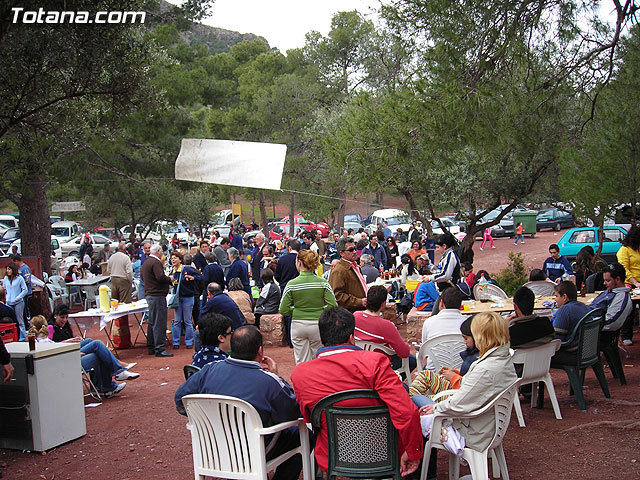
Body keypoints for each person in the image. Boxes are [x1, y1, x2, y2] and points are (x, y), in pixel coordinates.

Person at [291, 307, 423, 477]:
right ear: (351, 337)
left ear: (322, 337)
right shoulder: (375, 362)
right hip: (384, 452)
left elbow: (309, 417)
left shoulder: (301, 374)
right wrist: (413, 452)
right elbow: (406, 412)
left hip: (333, 456)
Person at [175, 326, 305, 480]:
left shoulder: (208, 370)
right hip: (253, 451)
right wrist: (276, 377)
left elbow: (180, 400)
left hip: (213, 449)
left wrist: (202, 418)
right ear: (260, 351)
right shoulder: (269, 382)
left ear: (232, 347)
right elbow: (293, 412)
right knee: (304, 436)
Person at [418, 312, 518, 454]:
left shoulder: (485, 368)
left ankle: (426, 473)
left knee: (414, 410)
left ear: (481, 337)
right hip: (486, 426)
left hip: (473, 433)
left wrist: (435, 408)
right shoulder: (502, 358)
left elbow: (459, 403)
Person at [48, 305, 138, 397]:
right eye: (62, 317)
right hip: (65, 358)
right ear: (55, 316)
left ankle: (104, 385)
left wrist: (75, 340)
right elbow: (49, 346)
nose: (64, 320)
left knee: (91, 342)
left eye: (66, 317)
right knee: (98, 348)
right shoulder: (50, 327)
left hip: (71, 351)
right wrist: (67, 341)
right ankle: (114, 376)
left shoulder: (65, 327)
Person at [279, 250, 338, 364]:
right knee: (319, 360)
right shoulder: (323, 282)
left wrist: (295, 310)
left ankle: (302, 381)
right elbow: (333, 305)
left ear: (299, 262)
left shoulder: (292, 284)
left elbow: (283, 309)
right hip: (318, 324)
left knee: (301, 360)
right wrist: (320, 310)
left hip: (298, 324)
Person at [410, 317, 478, 402]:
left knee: (415, 399)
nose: (464, 342)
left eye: (466, 338)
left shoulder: (481, 361)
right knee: (426, 375)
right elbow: (471, 376)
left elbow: (470, 390)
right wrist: (456, 372)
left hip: (459, 398)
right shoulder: (477, 356)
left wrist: (454, 377)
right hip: (459, 388)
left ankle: (411, 403)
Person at [354, 285, 417, 374]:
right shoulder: (386, 326)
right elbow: (404, 352)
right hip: (380, 363)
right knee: (412, 361)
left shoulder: (356, 316)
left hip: (360, 361)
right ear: (383, 304)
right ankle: (395, 379)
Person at [421, 287, 466, 370]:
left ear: (441, 303)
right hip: (461, 374)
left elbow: (424, 351)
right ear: (460, 304)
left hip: (435, 375)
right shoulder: (468, 323)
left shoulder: (429, 322)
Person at [141, 244, 174, 357]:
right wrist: (169, 279)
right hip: (157, 295)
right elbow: (160, 277)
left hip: (151, 294)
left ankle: (151, 346)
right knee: (159, 322)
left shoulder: (147, 262)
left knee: (152, 321)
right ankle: (159, 348)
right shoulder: (155, 262)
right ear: (158, 251)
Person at [589, 263, 632, 342]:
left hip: (591, 333)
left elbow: (611, 322)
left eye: (607, 280)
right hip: (587, 321)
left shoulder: (621, 298)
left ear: (618, 279)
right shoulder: (610, 291)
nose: (604, 283)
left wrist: (584, 323)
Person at [550, 281, 589, 367]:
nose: (555, 299)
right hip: (587, 352)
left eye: (556, 296)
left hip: (572, 354)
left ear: (564, 297)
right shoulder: (584, 307)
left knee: (536, 353)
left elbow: (556, 339)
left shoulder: (564, 310)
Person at [169, 251, 200, 350]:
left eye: (175, 258)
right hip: (178, 298)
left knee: (187, 320)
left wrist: (193, 278)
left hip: (188, 297)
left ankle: (189, 341)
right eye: (172, 258)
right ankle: (176, 341)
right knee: (177, 320)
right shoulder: (172, 271)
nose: (173, 260)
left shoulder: (187, 269)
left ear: (180, 259)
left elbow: (200, 277)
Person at [328, 237, 367, 312]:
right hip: (350, 315)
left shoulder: (355, 266)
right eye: (351, 250)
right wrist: (360, 302)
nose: (355, 252)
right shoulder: (339, 271)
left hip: (360, 311)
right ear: (341, 253)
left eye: (355, 248)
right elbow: (337, 296)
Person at [616, 225, 640, 345]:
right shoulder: (624, 250)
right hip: (630, 282)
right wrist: (636, 283)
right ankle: (626, 335)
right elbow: (624, 268)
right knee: (629, 309)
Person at [2, 262, 27, 340]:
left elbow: (25, 290)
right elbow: (4, 289)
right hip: (8, 302)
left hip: (18, 302)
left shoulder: (20, 278)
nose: (7, 271)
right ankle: (12, 335)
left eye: (9, 269)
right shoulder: (5, 279)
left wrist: (18, 298)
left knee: (20, 320)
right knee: (10, 319)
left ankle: (22, 337)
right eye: (7, 269)